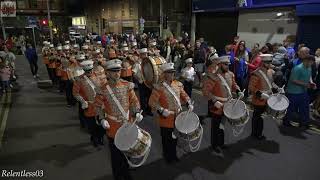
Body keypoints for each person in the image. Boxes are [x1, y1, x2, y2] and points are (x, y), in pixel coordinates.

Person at [95, 59, 142, 180]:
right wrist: (101, 119)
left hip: (128, 124)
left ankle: (126, 173)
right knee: (116, 155)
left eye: (119, 71)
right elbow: (97, 106)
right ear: (108, 73)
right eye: (114, 71)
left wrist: (136, 112)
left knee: (128, 150)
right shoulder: (103, 89)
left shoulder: (127, 85)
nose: (117, 73)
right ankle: (118, 175)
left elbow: (134, 101)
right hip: (113, 127)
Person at [149, 62, 193, 163]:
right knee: (166, 138)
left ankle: (173, 155)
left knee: (175, 137)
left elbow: (184, 95)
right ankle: (167, 156)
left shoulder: (178, 84)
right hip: (166, 117)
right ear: (164, 74)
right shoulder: (159, 87)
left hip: (178, 116)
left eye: (173, 72)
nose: (172, 74)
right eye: (170, 73)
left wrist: (188, 103)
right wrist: (161, 110)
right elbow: (152, 102)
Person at [202, 56, 243, 154]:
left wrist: (238, 91)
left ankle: (221, 143)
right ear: (219, 65)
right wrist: (214, 100)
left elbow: (234, 85)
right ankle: (214, 144)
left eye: (228, 64)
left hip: (228, 104)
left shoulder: (230, 74)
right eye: (225, 64)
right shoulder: (213, 76)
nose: (227, 66)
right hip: (217, 105)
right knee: (215, 126)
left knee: (222, 125)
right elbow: (206, 91)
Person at [248, 54, 284, 140]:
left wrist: (278, 88)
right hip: (258, 99)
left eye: (270, 62)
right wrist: (260, 94)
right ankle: (255, 134)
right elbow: (251, 87)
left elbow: (271, 83)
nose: (269, 64)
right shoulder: (256, 73)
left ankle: (258, 133)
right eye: (267, 62)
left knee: (261, 117)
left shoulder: (269, 72)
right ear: (263, 62)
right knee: (257, 117)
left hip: (267, 98)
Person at [283, 55, 316, 128]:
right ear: (306, 61)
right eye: (310, 62)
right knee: (291, 108)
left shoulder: (309, 67)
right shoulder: (297, 68)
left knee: (304, 108)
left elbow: (309, 75)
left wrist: (311, 82)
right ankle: (286, 121)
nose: (311, 64)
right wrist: (305, 84)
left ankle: (304, 123)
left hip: (303, 91)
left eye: (312, 63)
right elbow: (293, 80)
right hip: (293, 92)